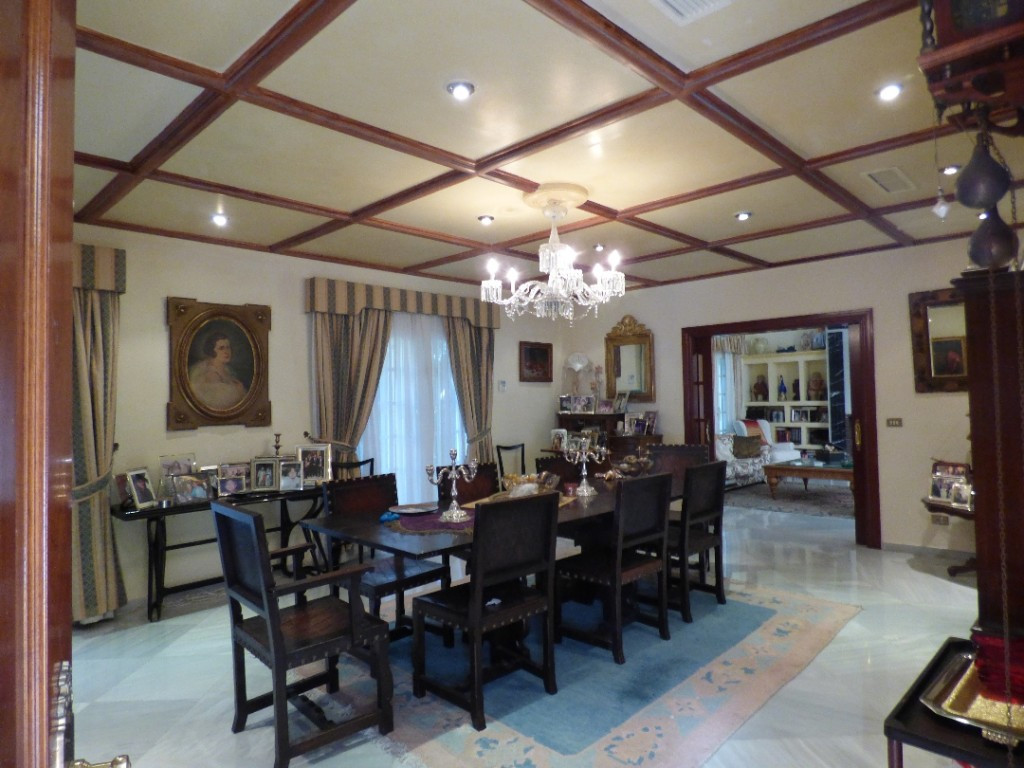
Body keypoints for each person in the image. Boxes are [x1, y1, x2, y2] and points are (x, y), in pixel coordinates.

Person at [188, 331, 247, 410]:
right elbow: (221, 405)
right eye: (221, 348)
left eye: (228, 347)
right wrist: (239, 391)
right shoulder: (211, 375)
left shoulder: (227, 370)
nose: (226, 352)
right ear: (211, 350)